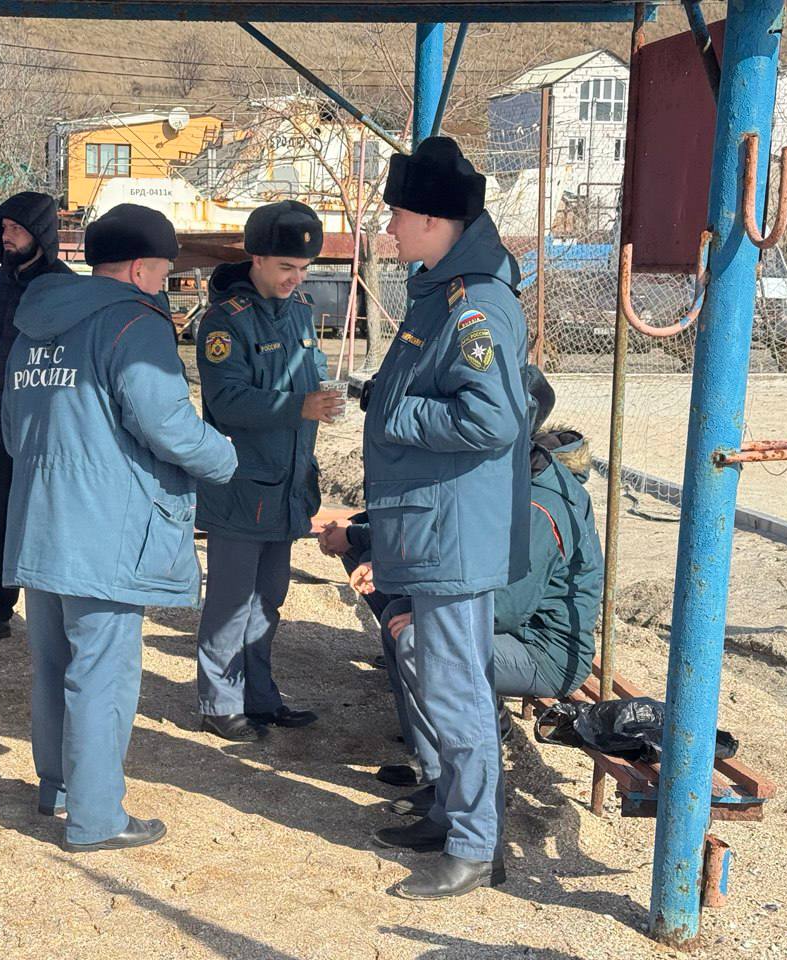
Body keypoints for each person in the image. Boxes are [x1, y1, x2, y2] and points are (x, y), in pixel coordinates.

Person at [1, 204, 237, 852]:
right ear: (139, 269)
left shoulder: (33, 326)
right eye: (162, 272)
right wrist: (224, 457)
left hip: (39, 521)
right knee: (103, 673)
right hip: (104, 528)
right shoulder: (134, 322)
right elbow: (166, 425)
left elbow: (12, 429)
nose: (164, 284)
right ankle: (97, 817)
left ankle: (57, 787)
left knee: (54, 664)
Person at [359, 136, 530, 900]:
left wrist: (396, 414)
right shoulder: (441, 291)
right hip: (435, 523)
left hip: (453, 531)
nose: (389, 228)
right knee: (445, 680)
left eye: (397, 215)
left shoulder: (475, 304)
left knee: (457, 688)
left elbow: (492, 419)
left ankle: (473, 845)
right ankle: (450, 811)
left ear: (432, 220)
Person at [320, 369, 603, 818]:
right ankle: (430, 760)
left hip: (542, 649)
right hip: (509, 628)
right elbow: (441, 532)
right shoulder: (505, 476)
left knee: (420, 641)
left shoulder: (537, 503)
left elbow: (508, 607)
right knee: (398, 615)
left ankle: (448, 782)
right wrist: (368, 547)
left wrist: (427, 613)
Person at [193, 200, 342, 742]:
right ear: (256, 259)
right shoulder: (225, 321)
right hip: (242, 487)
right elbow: (227, 400)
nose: (295, 278)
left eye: (302, 269)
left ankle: (259, 696)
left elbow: (312, 372)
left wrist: (322, 397)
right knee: (230, 602)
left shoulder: (299, 311)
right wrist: (300, 406)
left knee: (268, 601)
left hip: (287, 486)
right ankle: (218, 702)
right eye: (285, 267)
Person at [0, 192, 74, 648]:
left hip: (42, 428)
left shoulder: (63, 286)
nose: (6, 237)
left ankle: (59, 613)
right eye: (3, 228)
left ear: (40, 233)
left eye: (16, 229)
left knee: (49, 520)